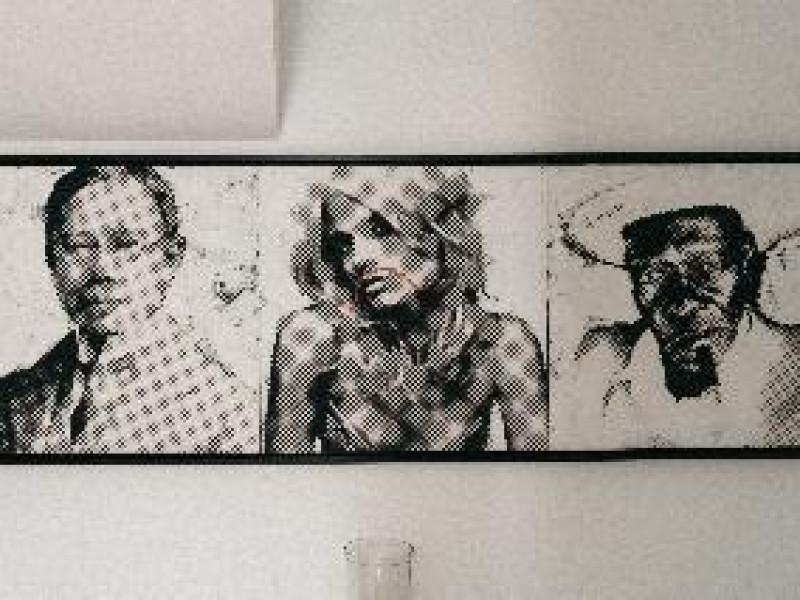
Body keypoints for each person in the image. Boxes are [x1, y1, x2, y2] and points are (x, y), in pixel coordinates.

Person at [265, 166, 548, 453]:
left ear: (439, 233)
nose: (358, 259)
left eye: (379, 230)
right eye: (343, 244)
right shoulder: (313, 336)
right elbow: (282, 473)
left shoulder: (502, 341)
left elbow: (539, 471)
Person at [0, 166, 259, 453]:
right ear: (51, 258)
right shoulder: (12, 400)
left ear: (170, 258)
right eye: (79, 245)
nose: (102, 269)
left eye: (125, 245)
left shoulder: (224, 411)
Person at [566, 204, 800, 449]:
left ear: (744, 264)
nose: (683, 303)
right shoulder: (603, 366)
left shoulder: (791, 371)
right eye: (655, 276)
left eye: (705, 268)